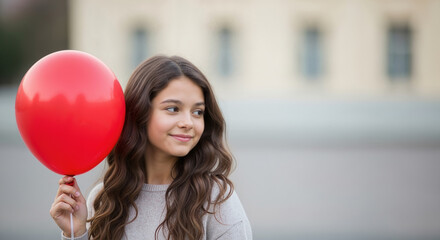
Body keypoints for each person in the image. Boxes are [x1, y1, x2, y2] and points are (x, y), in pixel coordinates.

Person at [49, 55, 252, 240]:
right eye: (173, 109)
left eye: (197, 112)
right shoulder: (104, 199)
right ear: (140, 112)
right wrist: (75, 232)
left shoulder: (216, 200)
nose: (188, 122)